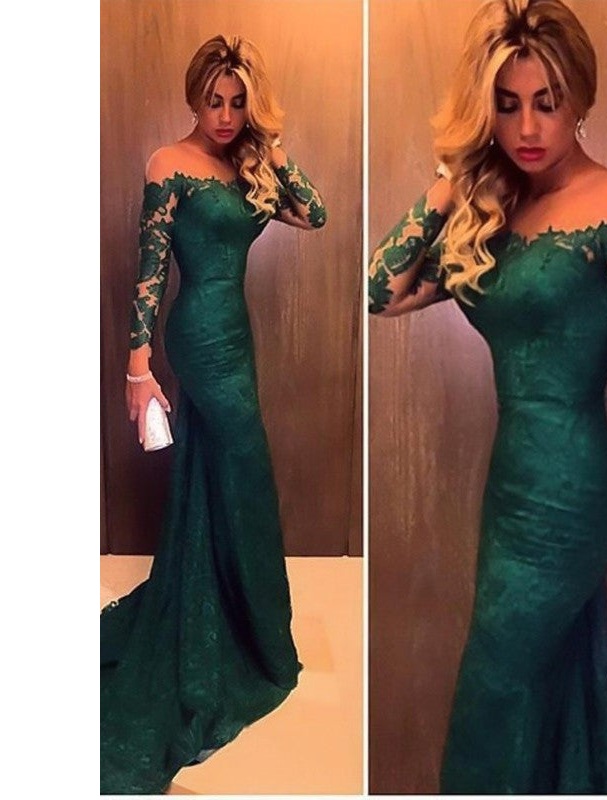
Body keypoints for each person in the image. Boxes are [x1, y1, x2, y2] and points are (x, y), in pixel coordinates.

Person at [368, 0, 607, 793]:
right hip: (510, 485)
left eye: (546, 102)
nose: (527, 127)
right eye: (506, 104)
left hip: (574, 493)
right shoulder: (493, 214)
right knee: (541, 686)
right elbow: (382, 290)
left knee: (495, 686)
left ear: (579, 96)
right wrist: (453, 175)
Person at [101, 34, 326, 794]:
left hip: (238, 334)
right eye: (214, 102)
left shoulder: (248, 166)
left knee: (217, 471)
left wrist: (271, 142)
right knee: (247, 470)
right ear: (193, 98)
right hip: (198, 334)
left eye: (237, 103)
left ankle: (225, 608)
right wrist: (138, 369)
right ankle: (262, 643)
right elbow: (149, 271)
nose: (224, 116)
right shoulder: (169, 164)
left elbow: (316, 213)